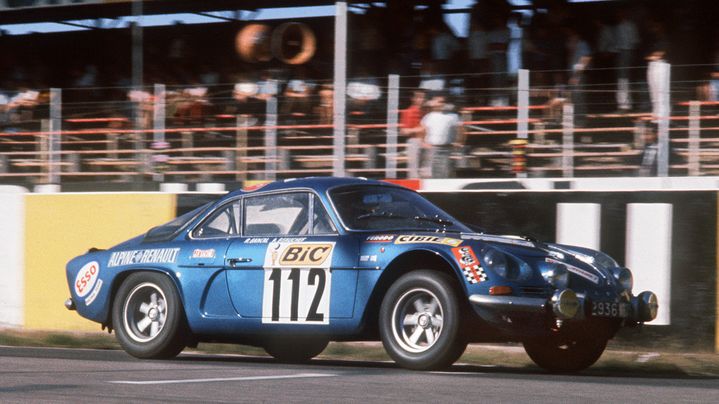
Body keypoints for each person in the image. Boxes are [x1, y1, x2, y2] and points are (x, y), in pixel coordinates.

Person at [420, 95, 464, 178]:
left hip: (447, 148)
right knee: (430, 173)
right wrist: (423, 142)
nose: (440, 104)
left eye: (443, 102)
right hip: (432, 149)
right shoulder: (428, 116)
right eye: (438, 102)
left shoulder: (453, 116)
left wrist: (459, 141)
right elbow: (423, 130)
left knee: (446, 172)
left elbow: (461, 129)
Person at [400, 90, 427, 177]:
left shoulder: (426, 111)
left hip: (428, 142)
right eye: (419, 97)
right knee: (414, 171)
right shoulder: (408, 112)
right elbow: (404, 131)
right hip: (415, 141)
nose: (421, 100)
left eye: (423, 97)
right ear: (413, 99)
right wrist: (420, 129)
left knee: (426, 170)